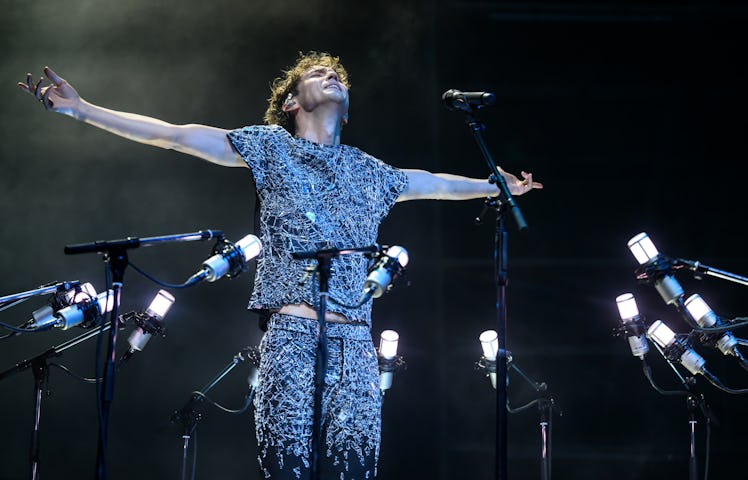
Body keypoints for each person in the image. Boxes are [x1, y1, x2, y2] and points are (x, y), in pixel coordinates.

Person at [19, 51, 542, 479]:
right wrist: (86, 110)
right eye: (318, 73)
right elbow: (174, 134)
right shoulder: (270, 148)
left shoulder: (369, 171)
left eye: (338, 73)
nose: (333, 74)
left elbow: (434, 183)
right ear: (292, 102)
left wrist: (495, 186)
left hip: (356, 343)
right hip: (290, 336)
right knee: (287, 470)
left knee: (355, 470)